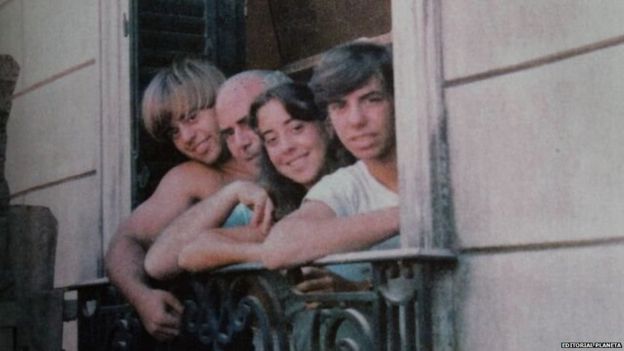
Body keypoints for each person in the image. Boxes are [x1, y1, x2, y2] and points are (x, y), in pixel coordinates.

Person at [105, 59, 289, 340]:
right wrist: (141, 297)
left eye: (192, 117)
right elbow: (125, 241)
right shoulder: (190, 177)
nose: (186, 138)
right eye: (173, 131)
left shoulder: (288, 152)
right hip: (238, 331)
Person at [144, 82, 356, 285]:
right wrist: (272, 253)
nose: (286, 147)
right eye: (271, 138)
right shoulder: (274, 205)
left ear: (328, 126)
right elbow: (169, 260)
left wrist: (355, 288)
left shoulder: (366, 183)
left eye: (297, 128)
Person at [259, 42, 400, 278]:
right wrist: (411, 216)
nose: (356, 120)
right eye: (340, 106)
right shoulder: (347, 183)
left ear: (397, 101)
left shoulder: (438, 163)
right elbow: (278, 248)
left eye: (372, 99)